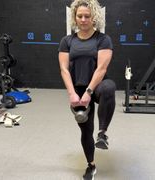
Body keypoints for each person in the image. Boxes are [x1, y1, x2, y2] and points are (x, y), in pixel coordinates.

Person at [58, 0, 116, 179]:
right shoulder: (67, 41)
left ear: (94, 17)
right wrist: (72, 94)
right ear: (74, 18)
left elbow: (101, 69)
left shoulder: (103, 39)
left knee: (108, 87)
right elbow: (64, 69)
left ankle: (103, 134)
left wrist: (89, 92)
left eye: (87, 16)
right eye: (79, 16)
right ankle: (91, 165)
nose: (83, 19)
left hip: (96, 86)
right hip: (77, 89)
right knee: (85, 130)